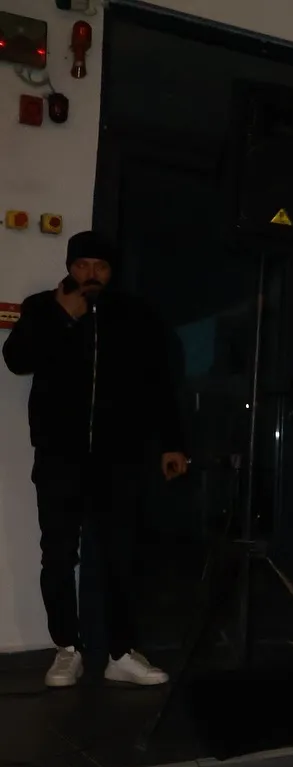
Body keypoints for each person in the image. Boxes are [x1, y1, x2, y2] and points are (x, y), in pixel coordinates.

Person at [3, 231, 185, 688]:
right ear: (69, 266)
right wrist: (63, 317)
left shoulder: (135, 315)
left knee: (122, 555)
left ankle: (120, 652)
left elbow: (159, 382)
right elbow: (17, 359)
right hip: (59, 457)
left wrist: (172, 443)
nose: (90, 274)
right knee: (58, 555)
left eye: (100, 266)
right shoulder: (42, 307)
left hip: (119, 459)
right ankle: (68, 649)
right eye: (82, 265)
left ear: (111, 270)